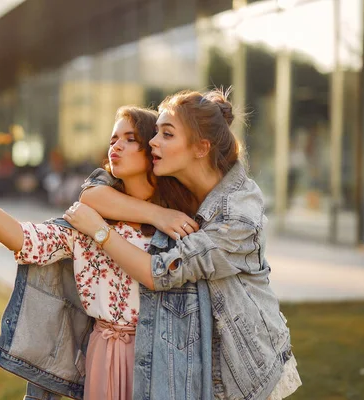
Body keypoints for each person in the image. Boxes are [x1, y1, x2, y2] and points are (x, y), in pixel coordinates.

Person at [0, 106, 210, 400]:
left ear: (153, 149)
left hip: (162, 356)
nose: (116, 146)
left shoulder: (179, 220)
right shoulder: (88, 221)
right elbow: (26, 240)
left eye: (130, 139)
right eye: (113, 140)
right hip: (102, 352)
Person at [65, 89, 302, 400]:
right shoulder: (178, 181)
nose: (153, 141)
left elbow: (158, 273)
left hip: (243, 370)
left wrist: (100, 232)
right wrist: (157, 213)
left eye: (167, 134)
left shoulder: (238, 215)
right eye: (156, 132)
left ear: (201, 147)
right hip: (190, 363)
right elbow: (94, 192)